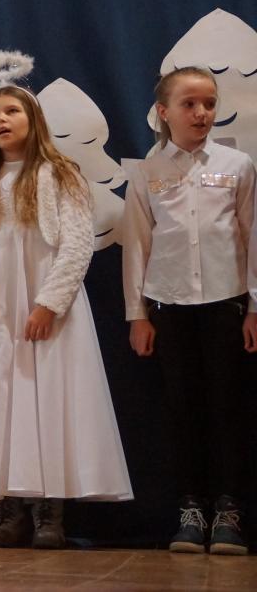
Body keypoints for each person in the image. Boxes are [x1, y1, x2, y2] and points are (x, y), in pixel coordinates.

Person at [0, 83, 132, 549]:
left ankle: (50, 511)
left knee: (49, 399)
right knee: (2, 404)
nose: (1, 120)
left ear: (33, 119)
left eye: (12, 111)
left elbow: (76, 244)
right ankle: (9, 508)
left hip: (45, 303)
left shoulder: (60, 173)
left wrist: (49, 303)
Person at [123, 66, 257, 555]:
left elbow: (252, 236)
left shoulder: (238, 165)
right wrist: (138, 313)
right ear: (164, 112)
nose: (201, 113)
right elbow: (137, 245)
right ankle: (190, 508)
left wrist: (254, 307)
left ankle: (229, 510)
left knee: (228, 408)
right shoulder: (148, 172)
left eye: (209, 104)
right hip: (170, 306)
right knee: (183, 410)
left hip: (226, 305)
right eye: (189, 104)